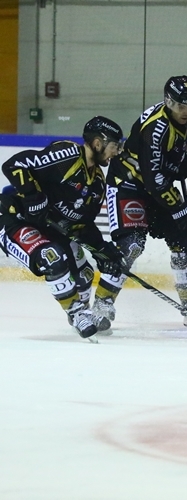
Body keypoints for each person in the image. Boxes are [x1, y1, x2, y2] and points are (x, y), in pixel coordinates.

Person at [92, 75, 187, 330]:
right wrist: (181, 209)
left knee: (184, 237)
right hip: (128, 185)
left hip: (153, 183)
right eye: (181, 106)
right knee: (131, 244)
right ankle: (102, 304)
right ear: (168, 101)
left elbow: (181, 144)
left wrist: (184, 156)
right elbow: (154, 180)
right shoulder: (155, 128)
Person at [0, 117, 126, 339]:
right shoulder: (66, 154)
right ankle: (76, 313)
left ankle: (84, 309)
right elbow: (13, 165)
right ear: (98, 143)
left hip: (48, 227)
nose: (116, 152)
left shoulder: (97, 182)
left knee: (84, 273)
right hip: (14, 219)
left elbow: (81, 225)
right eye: (114, 146)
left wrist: (102, 249)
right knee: (53, 258)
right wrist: (32, 195)